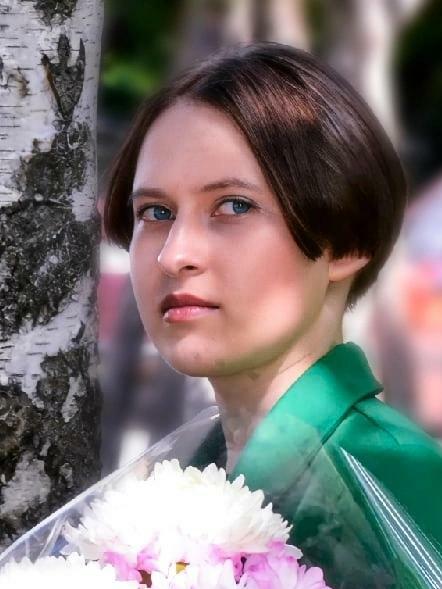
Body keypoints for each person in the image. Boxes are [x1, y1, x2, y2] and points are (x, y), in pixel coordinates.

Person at [103, 42, 442, 588]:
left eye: (234, 206)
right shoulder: (189, 483)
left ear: (345, 240)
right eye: (156, 212)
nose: (174, 255)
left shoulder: (400, 483)